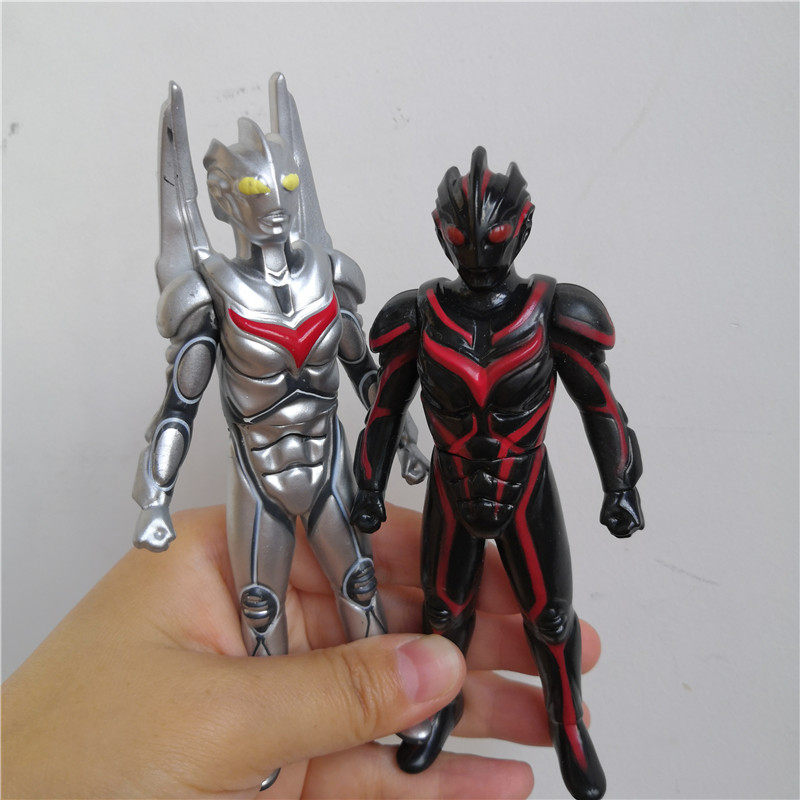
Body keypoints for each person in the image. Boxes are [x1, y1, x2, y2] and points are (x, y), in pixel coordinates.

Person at [2, 504, 600, 798]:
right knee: (438, 611)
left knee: (549, 618)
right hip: (291, 469)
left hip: (520, 481)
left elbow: (598, 403)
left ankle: (567, 721)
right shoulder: (419, 315)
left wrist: (621, 482)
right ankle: (432, 709)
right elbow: (386, 399)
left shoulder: (551, 313)